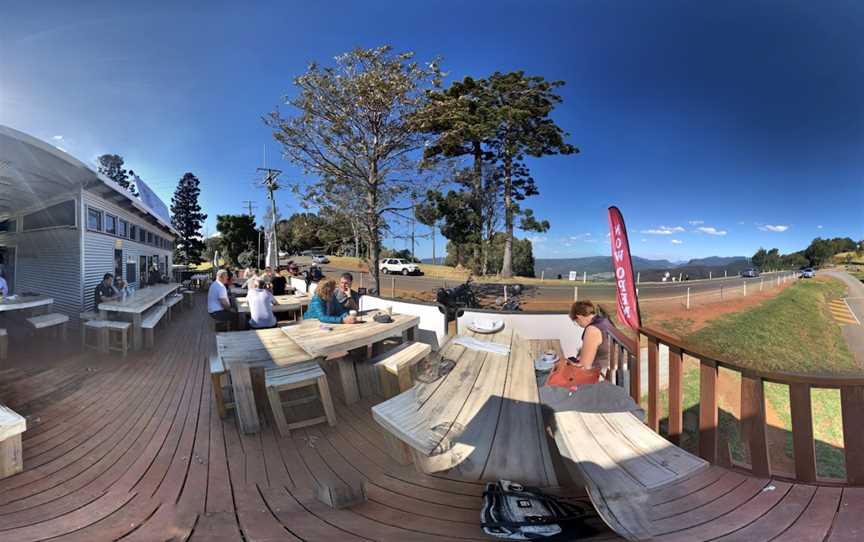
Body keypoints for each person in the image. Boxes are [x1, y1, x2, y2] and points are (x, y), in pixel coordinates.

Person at [546, 300, 614, 389]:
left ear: (579, 317)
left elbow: (585, 366)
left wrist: (565, 362)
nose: (578, 324)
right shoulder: (603, 321)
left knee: (556, 372)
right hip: (605, 368)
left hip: (597, 374)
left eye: (576, 322)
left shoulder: (592, 330)